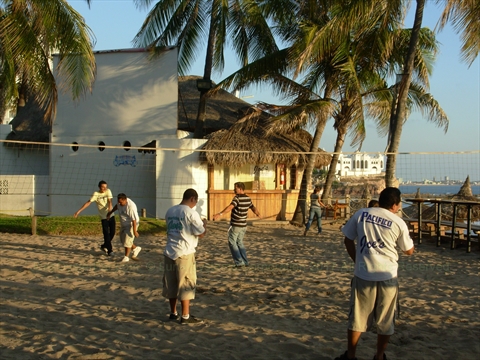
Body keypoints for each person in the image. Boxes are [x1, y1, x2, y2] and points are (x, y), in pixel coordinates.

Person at [335, 187, 414, 360]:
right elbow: (408, 251)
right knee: (386, 320)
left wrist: (357, 260)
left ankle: (351, 355)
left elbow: (348, 239)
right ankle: (379, 356)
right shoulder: (398, 222)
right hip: (387, 275)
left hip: (364, 273)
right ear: (394, 205)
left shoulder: (362, 214)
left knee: (357, 318)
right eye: (399, 203)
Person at [163, 188, 207, 324]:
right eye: (195, 201)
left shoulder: (170, 211)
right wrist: (204, 224)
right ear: (192, 198)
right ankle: (186, 316)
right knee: (186, 283)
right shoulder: (191, 213)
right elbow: (200, 233)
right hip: (184, 252)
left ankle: (173, 312)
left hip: (169, 251)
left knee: (171, 283)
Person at [213, 182, 260, 267]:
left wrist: (219, 214)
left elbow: (230, 207)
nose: (234, 190)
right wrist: (257, 213)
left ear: (240, 189)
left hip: (236, 225)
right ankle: (245, 261)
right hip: (243, 226)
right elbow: (253, 207)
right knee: (240, 242)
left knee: (232, 242)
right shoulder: (248, 198)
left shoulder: (237, 198)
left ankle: (239, 262)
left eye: (235, 188)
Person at [74, 180, 116, 256]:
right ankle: (110, 251)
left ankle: (104, 245)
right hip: (103, 217)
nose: (104, 188)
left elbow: (110, 201)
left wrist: (109, 212)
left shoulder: (108, 191)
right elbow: (88, 202)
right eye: (103, 187)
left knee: (112, 232)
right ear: (99, 187)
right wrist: (78, 211)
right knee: (106, 233)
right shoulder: (96, 194)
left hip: (111, 215)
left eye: (105, 187)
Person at [107, 193, 141, 263]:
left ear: (125, 200)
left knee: (127, 240)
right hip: (124, 224)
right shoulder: (119, 202)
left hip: (131, 224)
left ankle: (126, 257)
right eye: (119, 202)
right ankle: (135, 248)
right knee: (123, 240)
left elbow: (134, 220)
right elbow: (117, 206)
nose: (120, 203)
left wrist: (135, 231)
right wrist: (110, 212)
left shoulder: (130, 207)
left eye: (121, 202)